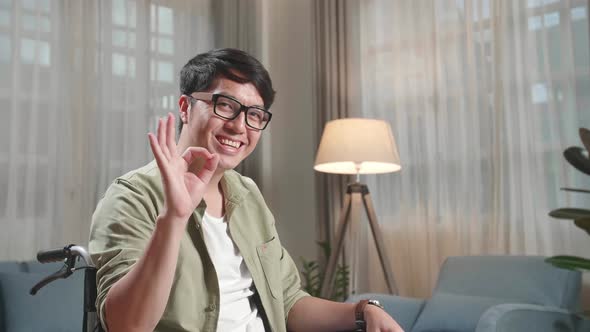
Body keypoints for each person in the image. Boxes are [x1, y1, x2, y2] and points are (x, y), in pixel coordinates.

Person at [89, 48, 403, 332]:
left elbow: (289, 301)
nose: (240, 127)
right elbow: (125, 325)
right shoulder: (131, 197)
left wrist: (362, 311)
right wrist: (173, 217)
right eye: (225, 105)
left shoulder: (247, 194)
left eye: (254, 115)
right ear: (185, 107)